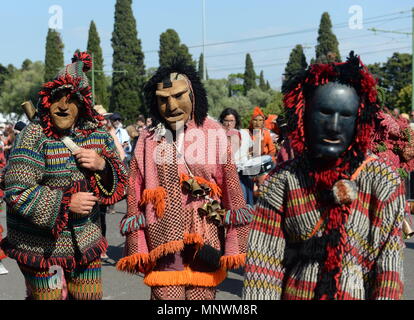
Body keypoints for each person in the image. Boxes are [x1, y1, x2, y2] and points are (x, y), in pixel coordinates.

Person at [243, 52, 405, 300]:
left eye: (346, 115)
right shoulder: (284, 181)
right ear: (304, 115)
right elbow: (262, 268)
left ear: (360, 120)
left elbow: (389, 269)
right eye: (325, 112)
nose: (334, 125)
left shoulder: (383, 181)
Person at [116, 60, 253, 300]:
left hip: (206, 235)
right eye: (163, 99)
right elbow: (134, 191)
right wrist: (138, 245)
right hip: (164, 238)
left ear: (193, 95)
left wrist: (234, 244)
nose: (171, 105)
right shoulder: (149, 139)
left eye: (179, 96)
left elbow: (231, 188)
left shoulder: (214, 133)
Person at [0, 51, 127, 300]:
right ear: (47, 99)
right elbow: (17, 190)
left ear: (83, 104)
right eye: (58, 97)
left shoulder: (98, 135)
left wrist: (103, 165)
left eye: (72, 99)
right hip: (39, 248)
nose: (63, 105)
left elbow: (123, 182)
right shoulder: (33, 135)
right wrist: (66, 203)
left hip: (87, 242)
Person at [219, 108, 254, 206]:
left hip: (246, 173)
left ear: (236, 121)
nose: (229, 124)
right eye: (226, 121)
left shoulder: (244, 133)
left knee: (249, 203)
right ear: (222, 121)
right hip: (231, 175)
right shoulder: (220, 135)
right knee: (237, 205)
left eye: (231, 121)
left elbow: (251, 148)